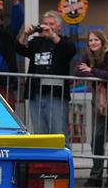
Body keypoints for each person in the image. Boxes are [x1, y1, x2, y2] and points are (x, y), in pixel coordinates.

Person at [16, 10, 76, 146]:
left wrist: (52, 35)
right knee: (40, 136)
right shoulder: (37, 42)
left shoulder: (64, 42)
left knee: (59, 134)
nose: (47, 26)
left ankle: (63, 166)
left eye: (51, 24)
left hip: (56, 96)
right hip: (35, 95)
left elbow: (70, 51)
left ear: (59, 27)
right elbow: (19, 48)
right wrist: (25, 34)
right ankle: (44, 167)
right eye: (45, 23)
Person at [76, 31, 108, 187]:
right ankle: (95, 175)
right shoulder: (87, 53)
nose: (93, 43)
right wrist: (93, 73)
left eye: (96, 39)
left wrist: (92, 71)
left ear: (102, 41)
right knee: (97, 136)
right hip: (99, 99)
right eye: (90, 40)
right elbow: (77, 71)